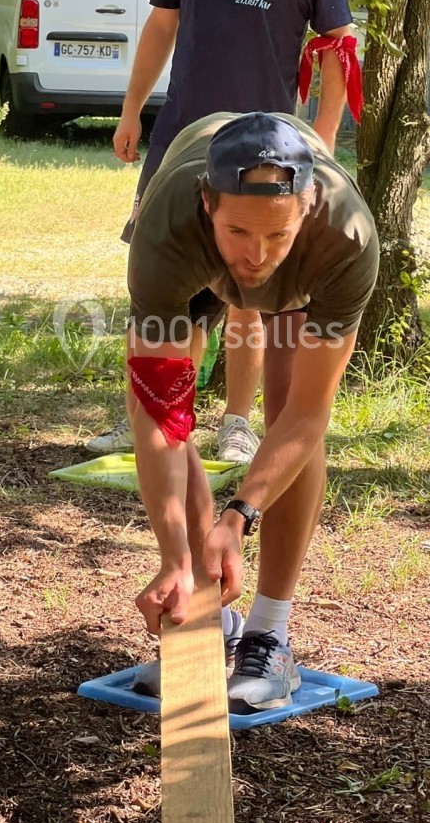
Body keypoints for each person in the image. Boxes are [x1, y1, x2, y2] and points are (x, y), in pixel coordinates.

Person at [86, 0, 356, 464]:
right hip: (181, 144)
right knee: (167, 283)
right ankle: (158, 415)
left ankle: (237, 423)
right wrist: (130, 110)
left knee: (248, 292)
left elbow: (337, 52)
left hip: (266, 149)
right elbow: (160, 28)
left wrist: (318, 143)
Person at [125, 111, 378, 711]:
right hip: (190, 245)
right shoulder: (166, 233)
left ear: (307, 207)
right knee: (171, 408)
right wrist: (174, 555)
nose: (257, 256)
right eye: (239, 232)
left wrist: (239, 517)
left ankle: (270, 632)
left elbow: (307, 415)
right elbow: (162, 412)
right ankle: (202, 611)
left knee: (288, 404)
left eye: (276, 236)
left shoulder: (344, 240)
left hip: (307, 286)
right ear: (207, 202)